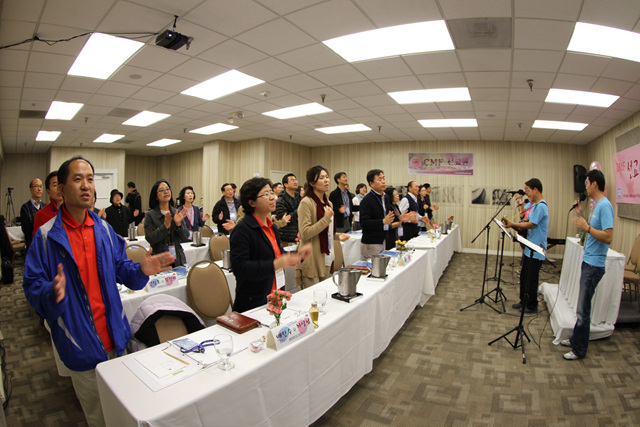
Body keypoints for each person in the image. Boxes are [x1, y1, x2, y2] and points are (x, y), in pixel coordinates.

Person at [23, 156, 174, 426]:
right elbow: (32, 288)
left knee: (125, 413)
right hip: (80, 344)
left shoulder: (103, 229)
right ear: (61, 189)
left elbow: (121, 268)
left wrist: (140, 270)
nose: (86, 185)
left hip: (116, 337)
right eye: (77, 179)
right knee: (99, 418)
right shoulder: (46, 237)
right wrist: (50, 292)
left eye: (90, 179)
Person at [230, 177, 310, 312]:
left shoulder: (271, 226)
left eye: (271, 193)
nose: (272, 197)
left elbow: (277, 254)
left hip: (276, 295)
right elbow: (240, 268)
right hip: (254, 302)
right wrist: (275, 264)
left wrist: (297, 255)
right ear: (252, 202)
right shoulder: (242, 230)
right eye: (266, 194)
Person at [561, 170, 614, 361]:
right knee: (581, 307)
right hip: (588, 261)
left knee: (583, 310)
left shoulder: (605, 206)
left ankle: (579, 349)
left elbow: (608, 236)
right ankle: (576, 339)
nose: (585, 186)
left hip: (594, 265)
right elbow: (590, 232)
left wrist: (587, 227)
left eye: (586, 183)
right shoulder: (596, 205)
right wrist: (581, 215)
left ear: (594, 184)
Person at [299, 166, 350, 288]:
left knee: (325, 293)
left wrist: (337, 236)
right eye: (321, 178)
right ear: (312, 183)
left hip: (326, 256)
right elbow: (305, 233)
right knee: (313, 295)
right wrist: (326, 218)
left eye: (327, 177)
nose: (326, 180)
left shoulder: (328, 203)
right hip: (312, 258)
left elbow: (327, 230)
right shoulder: (306, 202)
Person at [502, 178, 548, 314]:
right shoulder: (534, 206)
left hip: (536, 250)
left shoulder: (541, 206)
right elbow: (525, 220)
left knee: (531, 279)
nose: (526, 193)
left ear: (536, 189)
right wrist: (513, 225)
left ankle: (532, 305)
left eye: (528, 190)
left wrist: (512, 224)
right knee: (524, 277)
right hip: (529, 248)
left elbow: (531, 224)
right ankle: (524, 301)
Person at [359, 169, 411, 260]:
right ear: (371, 183)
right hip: (371, 242)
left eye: (383, 178)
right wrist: (382, 221)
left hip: (383, 239)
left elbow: (388, 216)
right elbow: (364, 223)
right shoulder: (367, 200)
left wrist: (399, 217)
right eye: (379, 179)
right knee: (375, 268)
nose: (383, 181)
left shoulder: (385, 197)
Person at [144, 180, 189, 267]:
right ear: (156, 196)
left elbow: (185, 236)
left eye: (168, 189)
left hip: (177, 259)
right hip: (160, 259)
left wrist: (178, 224)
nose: (166, 191)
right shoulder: (150, 215)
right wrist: (165, 227)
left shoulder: (176, 212)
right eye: (162, 190)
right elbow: (150, 238)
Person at [32, 171, 63, 239]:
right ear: (48, 192)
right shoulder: (41, 215)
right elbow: (37, 241)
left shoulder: (73, 211)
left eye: (60, 184)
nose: (59, 188)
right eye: (55, 185)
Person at [274, 173, 300, 245]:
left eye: (296, 180)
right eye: (292, 180)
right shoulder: (281, 200)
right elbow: (284, 219)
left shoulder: (299, 197)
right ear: (285, 184)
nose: (295, 182)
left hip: (299, 234)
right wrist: (299, 210)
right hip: (287, 236)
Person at [20, 178, 44, 248]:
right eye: (36, 186)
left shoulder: (45, 206)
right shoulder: (25, 207)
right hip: (32, 244)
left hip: (44, 244)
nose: (39, 189)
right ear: (30, 189)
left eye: (41, 186)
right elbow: (26, 229)